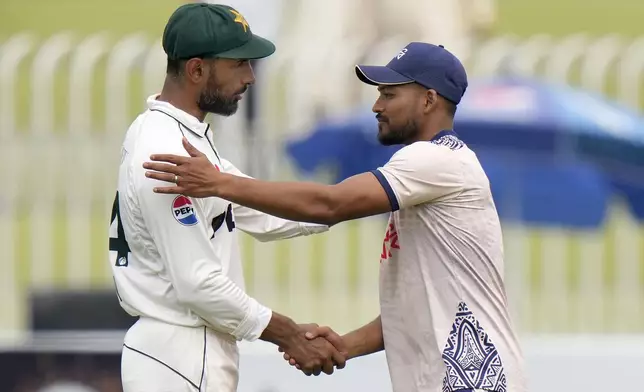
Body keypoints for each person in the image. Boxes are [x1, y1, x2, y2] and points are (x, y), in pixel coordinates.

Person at [143, 41, 528, 392]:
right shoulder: (428, 173)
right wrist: (343, 346)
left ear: (428, 100)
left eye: (389, 94)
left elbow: (331, 204)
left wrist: (219, 183)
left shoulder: (433, 161)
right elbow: (412, 308)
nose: (377, 105)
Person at [109, 4, 347, 392]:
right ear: (197, 70)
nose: (251, 77)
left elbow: (264, 212)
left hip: (187, 353)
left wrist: (365, 199)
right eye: (239, 64)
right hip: (180, 356)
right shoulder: (165, 152)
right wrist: (287, 334)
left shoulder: (180, 135)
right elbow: (198, 285)